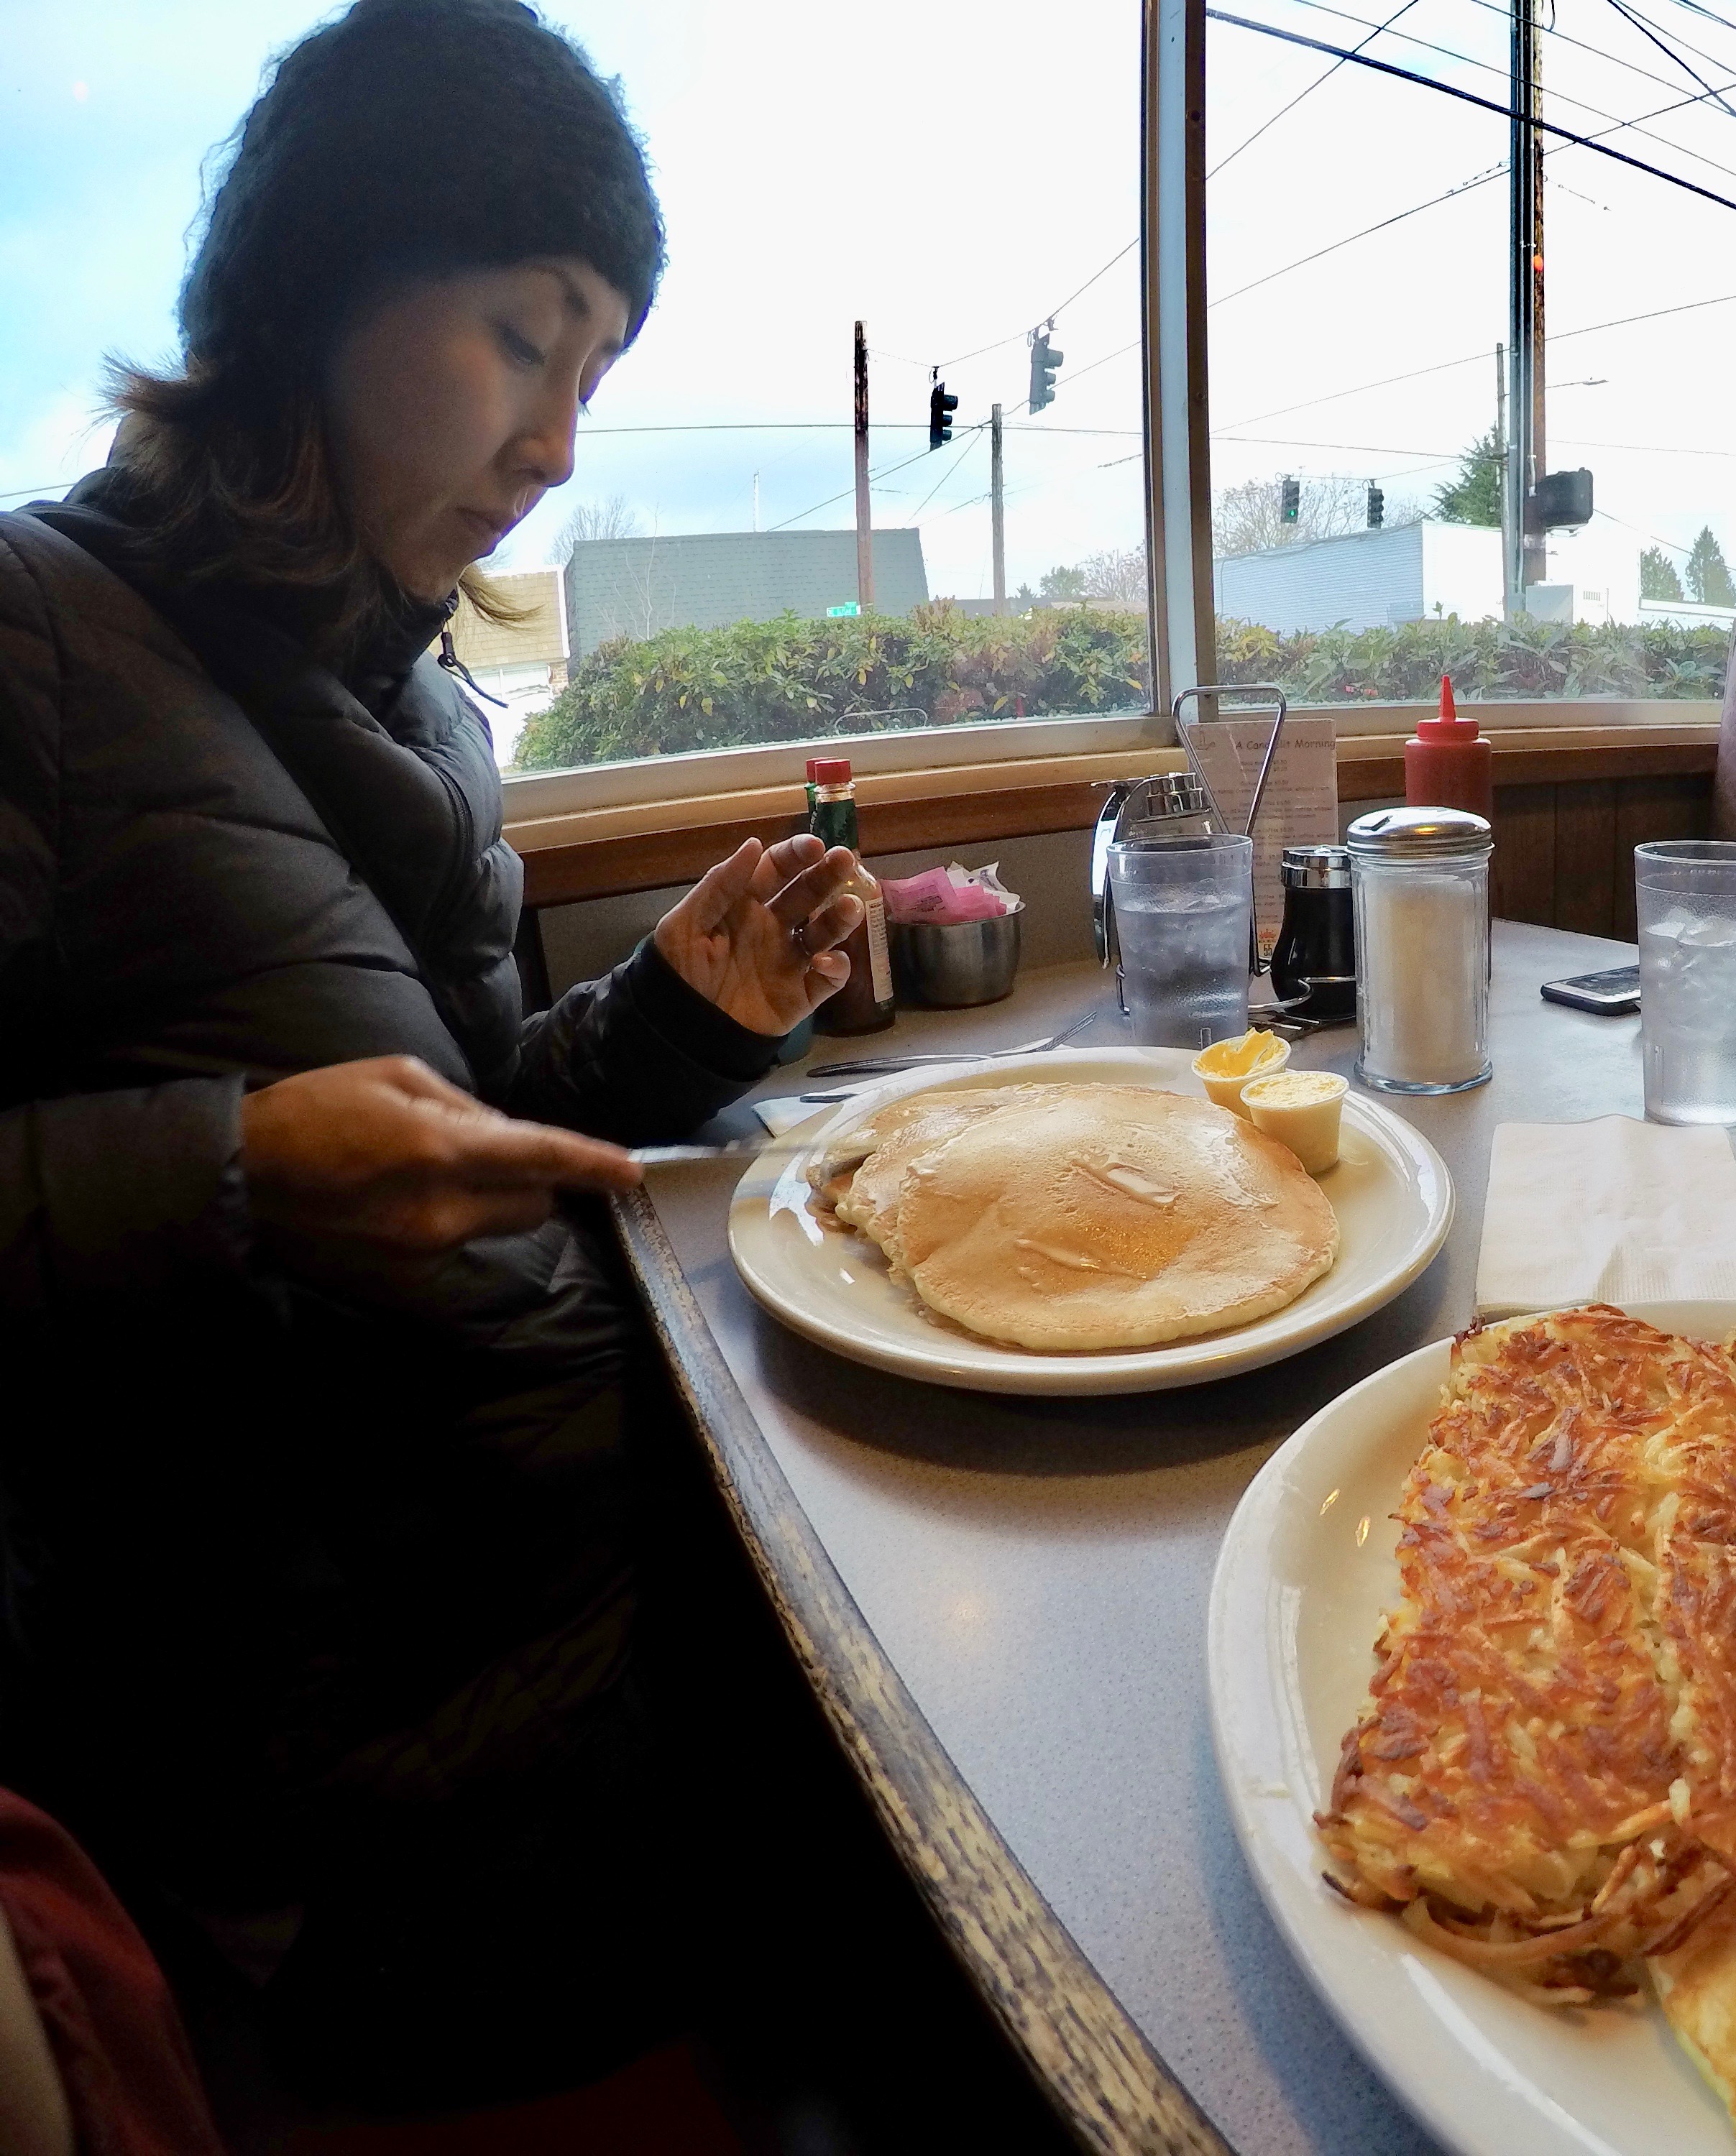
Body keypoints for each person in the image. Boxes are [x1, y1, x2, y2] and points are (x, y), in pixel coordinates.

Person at [0, 6, 1078, 2142]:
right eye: (521, 337)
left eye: (596, 371)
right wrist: (222, 1171)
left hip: (574, 1598)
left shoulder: (413, 704)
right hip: (357, 1774)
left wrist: (683, 1014)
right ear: (309, 289)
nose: (562, 440)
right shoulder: (33, 638)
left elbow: (459, 1115)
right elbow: (280, 1155)